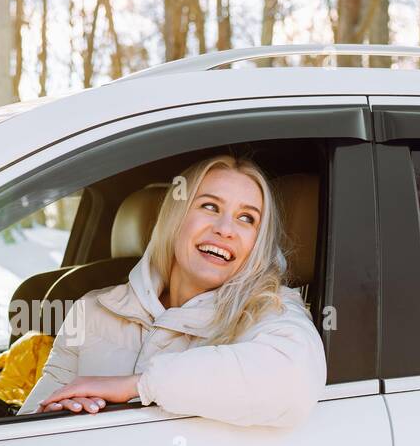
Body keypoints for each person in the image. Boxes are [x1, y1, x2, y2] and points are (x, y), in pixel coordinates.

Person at [18, 154, 326, 428]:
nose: (225, 229)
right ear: (174, 218)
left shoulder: (269, 310)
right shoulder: (93, 309)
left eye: (247, 218)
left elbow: (294, 382)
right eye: (210, 206)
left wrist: (137, 386)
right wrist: (60, 411)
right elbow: (30, 425)